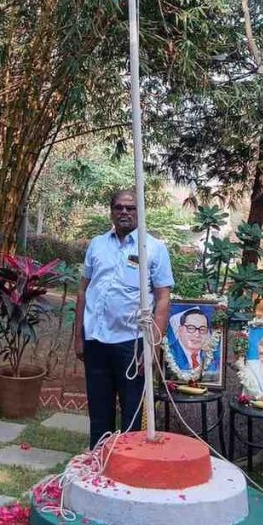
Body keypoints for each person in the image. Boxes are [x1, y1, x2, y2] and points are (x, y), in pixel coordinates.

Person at [74, 189, 173, 449]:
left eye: (131, 207)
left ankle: (128, 462)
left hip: (133, 341)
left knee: (132, 410)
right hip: (96, 338)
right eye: (119, 207)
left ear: (140, 211)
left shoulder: (154, 248)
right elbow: (84, 290)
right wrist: (79, 337)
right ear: (111, 211)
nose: (125, 212)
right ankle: (98, 458)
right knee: (99, 408)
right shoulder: (97, 244)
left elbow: (163, 299)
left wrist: (153, 346)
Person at [166, 307, 219, 378]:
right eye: (191, 328)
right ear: (180, 330)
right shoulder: (169, 352)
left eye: (202, 329)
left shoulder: (212, 357)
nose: (197, 334)